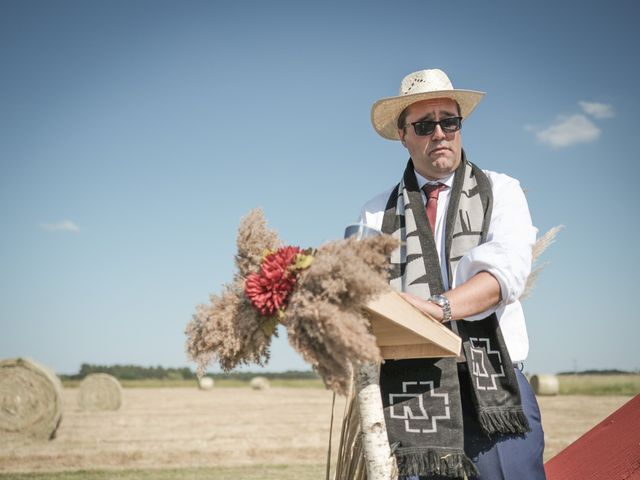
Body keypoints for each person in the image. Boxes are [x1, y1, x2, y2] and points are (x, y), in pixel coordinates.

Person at [358, 68, 546, 479]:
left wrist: (435, 309)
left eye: (449, 121)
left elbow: (504, 276)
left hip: (492, 382)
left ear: (460, 125)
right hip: (412, 390)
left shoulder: (502, 190)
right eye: (424, 125)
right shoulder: (376, 212)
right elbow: (361, 293)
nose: (439, 133)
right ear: (404, 136)